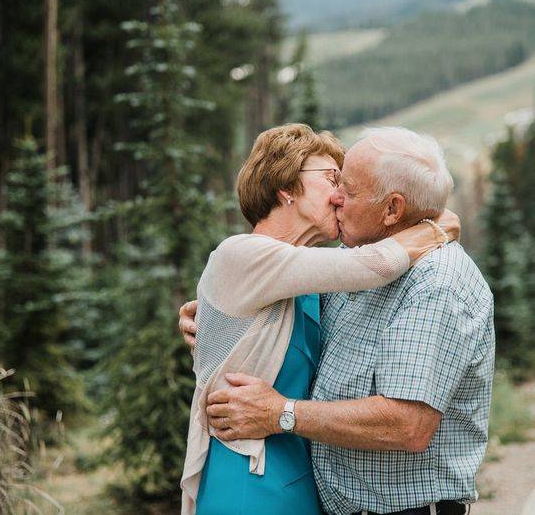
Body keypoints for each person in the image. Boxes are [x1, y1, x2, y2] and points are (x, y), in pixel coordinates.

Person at [181, 127, 494, 515]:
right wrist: (212, 319)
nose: (338, 195)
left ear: (393, 209)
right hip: (253, 475)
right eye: (333, 179)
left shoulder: (348, 278)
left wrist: (280, 412)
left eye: (346, 184)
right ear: (286, 188)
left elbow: (408, 424)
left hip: (308, 483)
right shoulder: (255, 260)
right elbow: (373, 265)